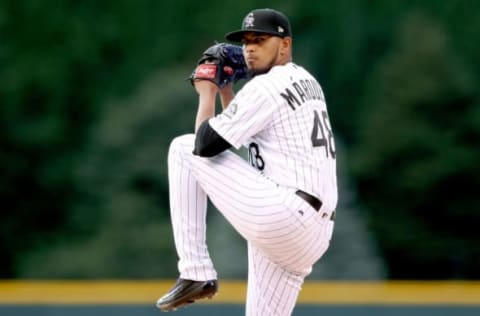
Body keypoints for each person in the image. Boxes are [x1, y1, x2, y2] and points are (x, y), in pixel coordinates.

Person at [156, 8, 338, 316]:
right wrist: (227, 91)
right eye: (246, 42)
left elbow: (205, 146)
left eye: (261, 40)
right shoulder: (307, 80)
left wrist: (207, 92)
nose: (250, 48)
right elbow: (249, 151)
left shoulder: (267, 87)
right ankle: (196, 273)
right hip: (311, 232)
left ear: (285, 45)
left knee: (183, 149)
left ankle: (195, 271)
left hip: (286, 216)